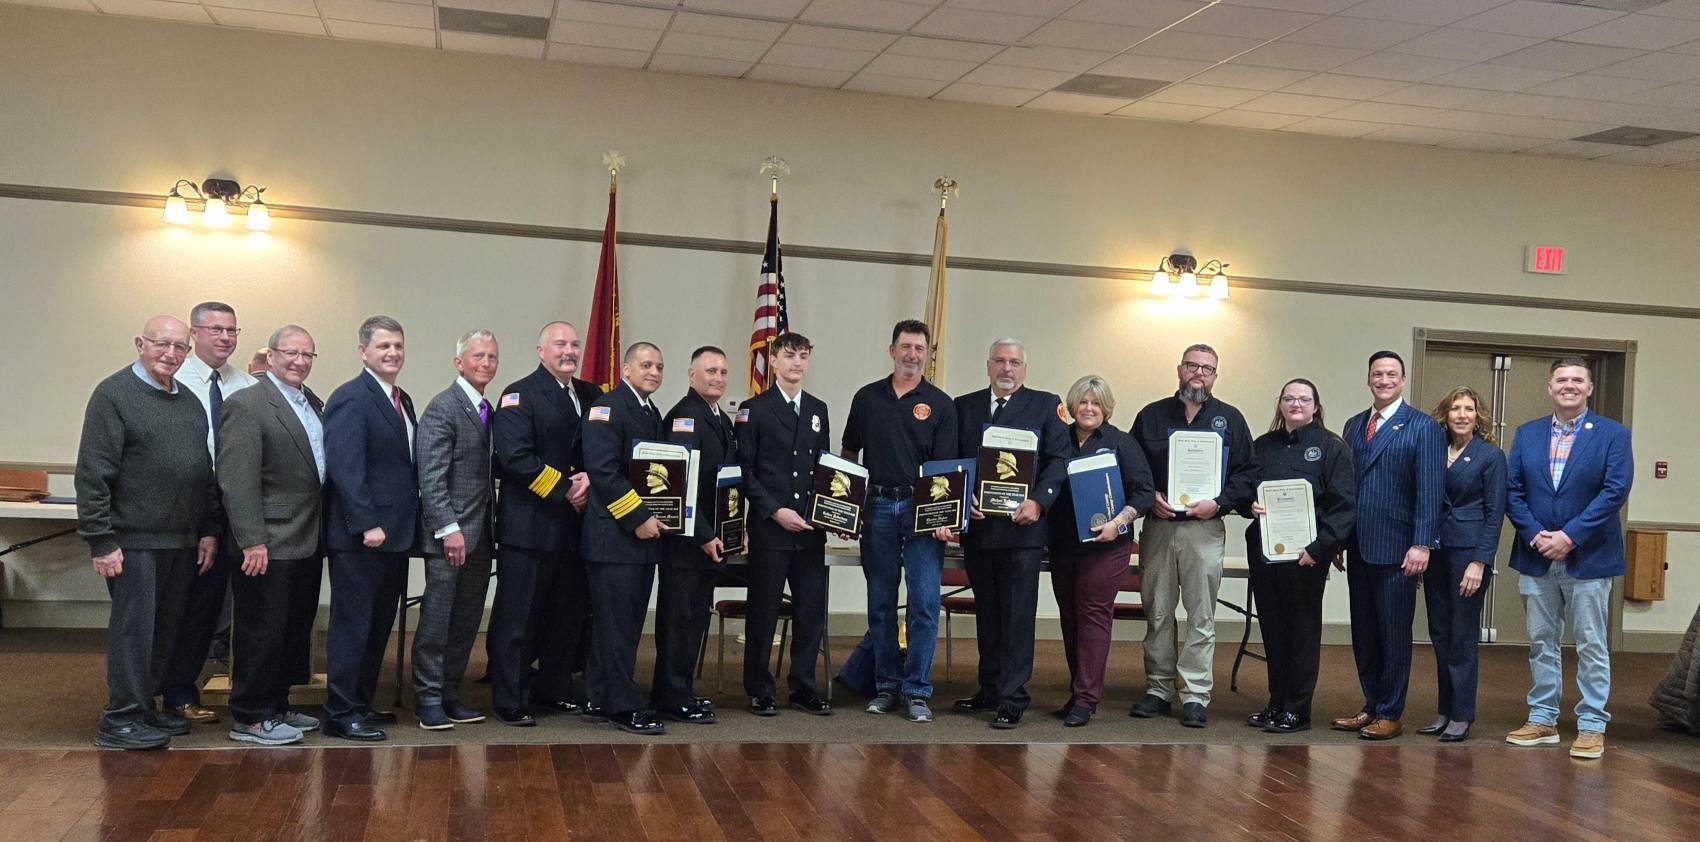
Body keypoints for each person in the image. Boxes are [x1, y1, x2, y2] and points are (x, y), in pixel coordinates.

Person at [75, 315, 221, 750]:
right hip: (133, 541)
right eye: (162, 344)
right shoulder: (113, 395)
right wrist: (101, 541)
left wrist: (208, 528)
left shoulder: (189, 401)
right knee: (133, 634)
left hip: (182, 539)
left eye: (180, 347)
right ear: (140, 343)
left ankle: (144, 707)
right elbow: (93, 474)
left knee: (164, 633)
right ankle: (120, 719)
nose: (171, 354)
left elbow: (202, 471)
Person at [1504, 357, 1632, 760]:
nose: (1569, 385)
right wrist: (1536, 534)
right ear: (1550, 387)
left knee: (1592, 643)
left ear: (1590, 388)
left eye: (1578, 380)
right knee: (1541, 641)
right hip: (1537, 554)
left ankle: (1592, 725)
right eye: (1562, 379)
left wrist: (1570, 536)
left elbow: (1614, 491)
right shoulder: (1528, 434)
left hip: (1590, 557)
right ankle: (1543, 719)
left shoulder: (1613, 434)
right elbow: (1512, 491)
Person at [1128, 343, 1258, 728]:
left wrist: (1218, 503)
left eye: (1207, 368)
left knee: (1201, 615)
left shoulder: (1230, 420)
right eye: (1192, 366)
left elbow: (1247, 474)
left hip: (1204, 529)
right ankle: (1158, 689)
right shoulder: (1150, 416)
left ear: (1215, 376)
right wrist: (1150, 497)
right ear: (1179, 370)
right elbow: (1132, 468)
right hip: (1159, 528)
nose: (1198, 373)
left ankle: (1196, 695)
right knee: (1158, 612)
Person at [945, 337, 1070, 730]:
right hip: (980, 529)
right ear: (988, 366)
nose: (1006, 369)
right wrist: (962, 497)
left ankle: (1013, 697)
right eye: (999, 361)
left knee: (1017, 615)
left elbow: (1059, 461)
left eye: (1014, 362)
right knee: (987, 612)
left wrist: (1039, 502)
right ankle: (990, 687)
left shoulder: (1046, 405)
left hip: (1023, 531)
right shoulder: (963, 406)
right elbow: (952, 461)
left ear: (1024, 369)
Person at [841, 320, 957, 723]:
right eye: (905, 347)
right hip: (876, 508)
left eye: (919, 348)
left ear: (928, 354)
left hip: (921, 510)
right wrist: (846, 507)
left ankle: (917, 690)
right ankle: (887, 686)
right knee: (881, 603)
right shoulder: (866, 398)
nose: (912, 354)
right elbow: (849, 454)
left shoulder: (941, 404)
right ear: (892, 351)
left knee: (924, 603)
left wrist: (943, 516)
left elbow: (944, 469)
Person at [217, 325, 326, 746]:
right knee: (260, 631)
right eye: (291, 353)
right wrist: (251, 539)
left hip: (307, 535)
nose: (299, 361)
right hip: (267, 541)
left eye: (307, 354)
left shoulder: (311, 401)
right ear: (272, 355)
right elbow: (236, 480)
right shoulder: (247, 403)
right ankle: (250, 716)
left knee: (290, 630)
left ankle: (277, 705)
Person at [489, 321, 602, 726]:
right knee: (518, 617)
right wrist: (566, 489)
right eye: (559, 344)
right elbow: (515, 458)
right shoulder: (519, 395)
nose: (569, 351)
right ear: (541, 350)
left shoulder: (592, 395)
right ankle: (509, 697)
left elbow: (602, 448)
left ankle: (553, 690)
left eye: (574, 344)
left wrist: (592, 479)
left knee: (565, 616)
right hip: (530, 528)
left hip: (575, 529)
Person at [1333, 350, 1443, 741]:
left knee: (1393, 635)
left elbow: (1430, 491)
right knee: (1364, 634)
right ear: (1368, 379)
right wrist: (1338, 539)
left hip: (1399, 549)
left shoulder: (1423, 427)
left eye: (1391, 374)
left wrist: (1422, 544)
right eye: (1377, 374)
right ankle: (1371, 705)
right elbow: (1345, 488)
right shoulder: (1353, 425)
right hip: (1358, 545)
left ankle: (1391, 712)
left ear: (1403, 380)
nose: (1384, 380)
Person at [159, 301, 258, 725]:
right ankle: (159, 692)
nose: (225, 337)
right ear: (194, 334)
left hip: (236, 509)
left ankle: (189, 689)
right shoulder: (172, 381)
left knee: (213, 608)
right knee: (178, 608)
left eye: (231, 330)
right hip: (186, 511)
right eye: (215, 329)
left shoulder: (247, 386)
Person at [322, 315, 418, 742]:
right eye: (383, 346)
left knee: (378, 626)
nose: (392, 353)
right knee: (353, 626)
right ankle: (340, 713)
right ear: (363, 352)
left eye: (398, 345)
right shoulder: (350, 398)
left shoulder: (401, 398)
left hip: (394, 535)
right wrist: (366, 523)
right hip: (362, 536)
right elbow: (346, 469)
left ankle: (360, 703)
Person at [1240, 378, 1354, 734]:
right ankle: (1276, 702)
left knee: (1301, 632)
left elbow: (1343, 505)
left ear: (1316, 407)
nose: (1296, 404)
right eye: (1289, 398)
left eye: (1304, 399)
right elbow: (1243, 489)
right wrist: (1249, 505)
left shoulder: (1332, 447)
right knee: (1273, 629)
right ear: (1281, 404)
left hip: (1307, 557)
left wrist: (1320, 549)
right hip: (1266, 553)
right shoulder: (1263, 446)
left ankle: (1297, 709)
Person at [1044, 375, 1153, 728]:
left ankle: (1087, 699)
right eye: (1083, 402)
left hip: (1107, 546)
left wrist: (1118, 523)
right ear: (1071, 406)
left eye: (1096, 403)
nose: (1088, 408)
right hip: (1063, 544)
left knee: (1092, 615)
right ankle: (1077, 690)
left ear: (1106, 408)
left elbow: (1144, 493)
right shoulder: (1057, 440)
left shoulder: (1122, 443)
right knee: (1070, 617)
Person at [737, 332, 834, 718]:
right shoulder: (754, 409)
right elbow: (745, 472)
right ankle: (760, 689)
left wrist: (832, 511)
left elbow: (825, 468)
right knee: (764, 611)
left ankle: (803, 686)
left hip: (809, 530)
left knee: (810, 612)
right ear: (773, 361)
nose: (797, 363)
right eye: (790, 355)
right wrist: (775, 511)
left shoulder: (817, 408)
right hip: (771, 528)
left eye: (803, 356)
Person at [412, 330, 501, 731]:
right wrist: (449, 528)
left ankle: (450, 693)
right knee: (437, 619)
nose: (486, 363)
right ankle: (428, 699)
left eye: (492, 357)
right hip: (450, 537)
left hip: (481, 536)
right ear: (459, 363)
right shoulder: (442, 407)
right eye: (478, 356)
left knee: (465, 621)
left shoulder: (487, 409)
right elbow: (430, 478)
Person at [581, 342, 669, 735]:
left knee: (624, 624)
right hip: (614, 538)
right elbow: (602, 472)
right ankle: (623, 705)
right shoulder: (607, 408)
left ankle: (600, 697)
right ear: (626, 370)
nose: (654, 372)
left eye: (659, 367)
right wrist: (639, 518)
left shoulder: (651, 411)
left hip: (639, 540)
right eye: (646, 365)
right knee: (618, 626)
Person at [1417, 386, 1506, 743]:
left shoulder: (1490, 456)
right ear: (1445, 414)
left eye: (1469, 409)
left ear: (1478, 417)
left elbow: (1495, 514)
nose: (1462, 415)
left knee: (1462, 635)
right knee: (1440, 633)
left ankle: (1462, 714)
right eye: (1455, 408)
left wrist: (1480, 561)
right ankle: (1444, 710)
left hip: (1468, 555)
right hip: (1436, 551)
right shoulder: (1434, 449)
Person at [652, 346, 736, 725]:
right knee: (678, 620)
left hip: (710, 541)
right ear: (692, 375)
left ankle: (681, 690)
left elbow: (727, 482)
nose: (717, 378)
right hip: (686, 541)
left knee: (694, 619)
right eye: (710, 371)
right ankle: (670, 696)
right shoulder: (684, 417)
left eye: (722, 372)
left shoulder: (720, 418)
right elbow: (678, 485)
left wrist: (735, 529)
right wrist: (703, 534)